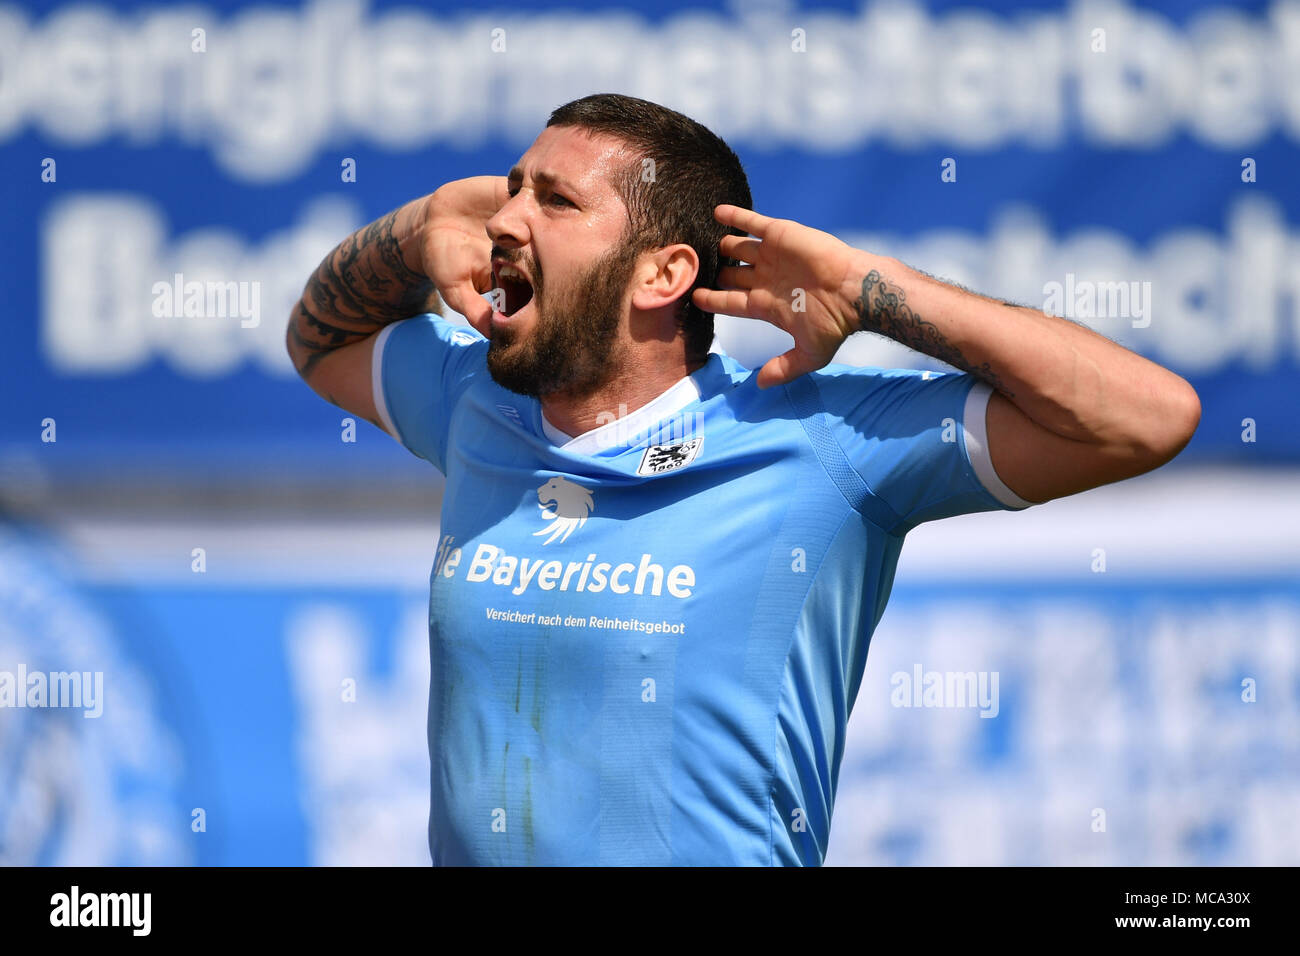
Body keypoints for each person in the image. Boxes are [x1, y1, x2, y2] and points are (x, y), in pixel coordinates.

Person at [286, 93, 1200, 866]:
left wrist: (867, 286)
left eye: (556, 202)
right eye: (511, 190)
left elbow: (1146, 416)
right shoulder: (474, 400)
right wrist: (419, 226)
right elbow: (320, 340)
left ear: (663, 274)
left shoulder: (819, 440)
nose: (506, 220)